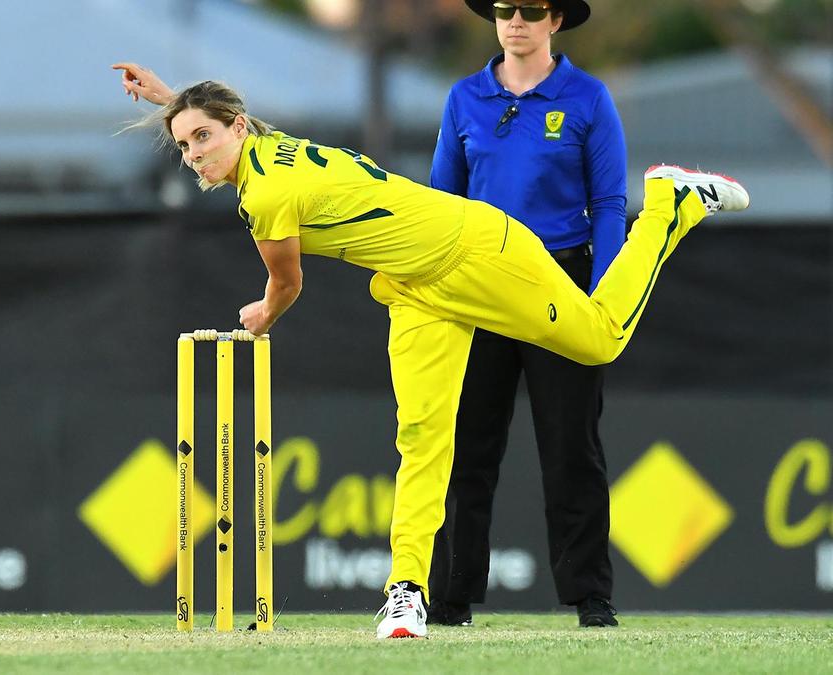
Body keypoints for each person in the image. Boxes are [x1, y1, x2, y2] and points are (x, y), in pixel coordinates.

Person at [112, 63, 748, 638]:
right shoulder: (264, 148)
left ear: (237, 127)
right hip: (416, 290)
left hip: (480, 253)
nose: (194, 155)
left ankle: (668, 206)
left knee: (600, 338)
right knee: (422, 437)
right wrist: (174, 103)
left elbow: (287, 283)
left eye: (202, 139)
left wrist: (262, 316)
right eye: (184, 145)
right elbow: (218, 124)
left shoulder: (265, 194)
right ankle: (406, 593)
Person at [427, 0, 622, 628]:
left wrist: (600, 295)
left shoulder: (588, 98)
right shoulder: (464, 98)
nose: (515, 20)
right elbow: (442, 204)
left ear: (555, 20)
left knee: (571, 446)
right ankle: (449, 596)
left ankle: (590, 597)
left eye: (531, 9)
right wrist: (437, 289)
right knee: (465, 446)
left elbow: (609, 204)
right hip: (480, 284)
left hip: (561, 283)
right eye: (505, 8)